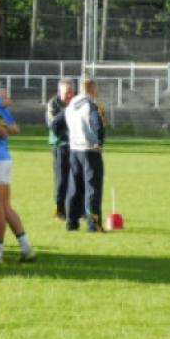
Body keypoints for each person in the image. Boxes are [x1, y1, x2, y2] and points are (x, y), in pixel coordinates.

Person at [0, 89, 36, 262]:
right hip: (4, 159)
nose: (7, 98)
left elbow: (12, 129)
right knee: (4, 207)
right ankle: (26, 247)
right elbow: (13, 128)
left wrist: (0, 126)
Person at [65, 78, 106, 232]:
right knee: (92, 187)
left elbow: (59, 122)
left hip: (74, 150)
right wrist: (100, 142)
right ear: (92, 89)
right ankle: (93, 223)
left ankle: (71, 222)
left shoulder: (71, 106)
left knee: (74, 186)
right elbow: (98, 125)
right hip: (89, 150)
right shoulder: (91, 105)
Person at [47, 78, 75, 220]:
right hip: (60, 145)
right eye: (67, 92)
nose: (70, 95)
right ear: (60, 91)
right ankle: (59, 209)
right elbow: (53, 125)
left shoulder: (76, 102)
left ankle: (77, 209)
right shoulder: (53, 104)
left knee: (77, 178)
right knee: (62, 179)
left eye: (71, 91)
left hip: (76, 146)